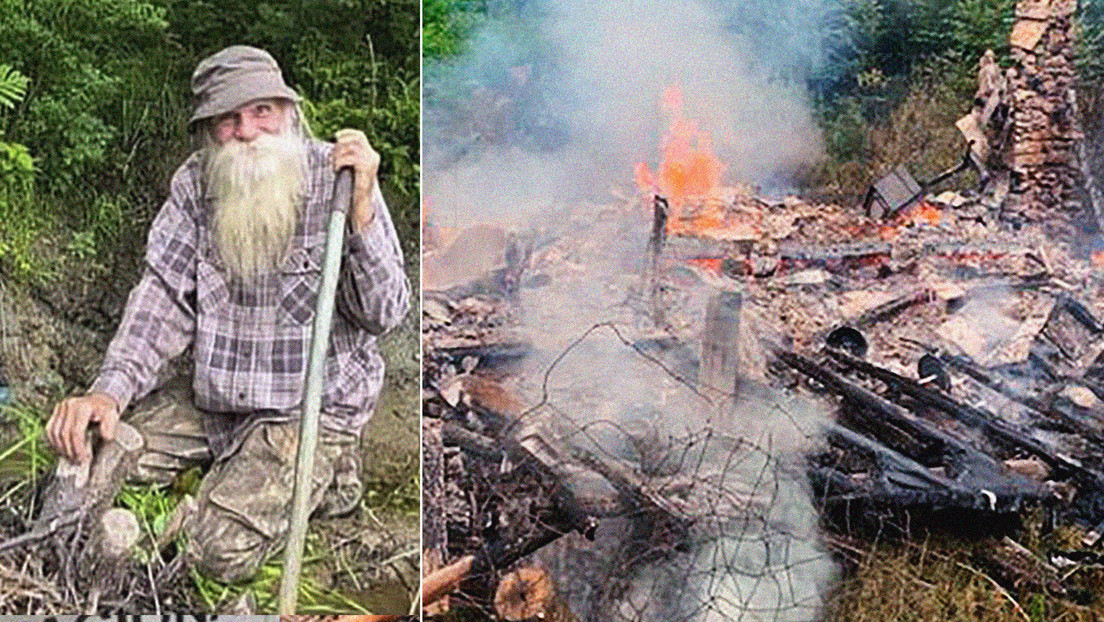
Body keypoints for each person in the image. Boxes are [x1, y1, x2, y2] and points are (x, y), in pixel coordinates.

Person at [41, 45, 410, 582]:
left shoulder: (339, 177)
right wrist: (109, 391)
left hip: (309, 409)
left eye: (262, 111)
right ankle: (237, 470)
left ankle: (332, 474)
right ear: (208, 130)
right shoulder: (195, 185)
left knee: (212, 554)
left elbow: (386, 313)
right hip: (216, 400)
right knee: (96, 460)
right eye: (228, 119)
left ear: (288, 112)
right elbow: (161, 299)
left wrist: (362, 214)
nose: (247, 131)